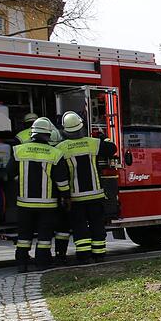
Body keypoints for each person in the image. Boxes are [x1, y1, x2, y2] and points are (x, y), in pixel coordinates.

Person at [8, 117, 70, 272]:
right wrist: (66, 196)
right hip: (47, 205)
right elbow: (61, 181)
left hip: (24, 204)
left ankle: (21, 264)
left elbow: (9, 173)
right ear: (48, 135)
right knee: (44, 237)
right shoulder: (55, 154)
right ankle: (43, 263)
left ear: (32, 133)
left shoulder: (19, 151)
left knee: (24, 236)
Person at [56, 111, 117, 263]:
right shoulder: (93, 143)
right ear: (81, 127)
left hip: (76, 198)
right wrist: (105, 137)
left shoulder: (60, 148)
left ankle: (83, 256)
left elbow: (60, 175)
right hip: (96, 196)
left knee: (80, 227)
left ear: (65, 130)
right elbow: (112, 149)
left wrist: (65, 196)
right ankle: (99, 255)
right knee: (97, 226)